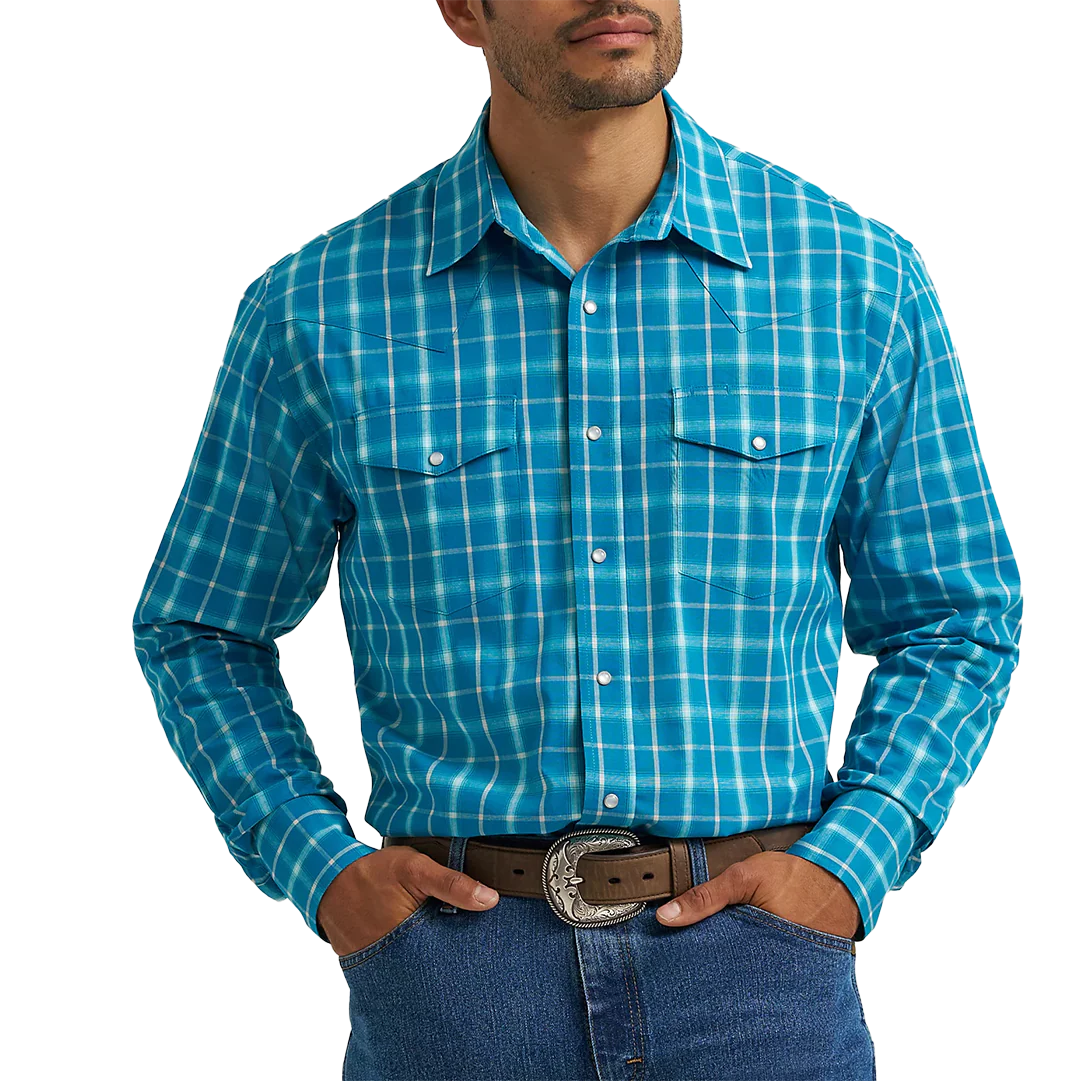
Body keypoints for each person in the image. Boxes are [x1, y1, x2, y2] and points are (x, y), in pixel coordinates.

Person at [130, 1, 1023, 1079]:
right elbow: (200, 625)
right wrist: (321, 867)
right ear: (463, 8)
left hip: (761, 974)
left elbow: (955, 618)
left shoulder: (854, 279)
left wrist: (851, 859)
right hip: (454, 987)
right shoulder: (318, 308)